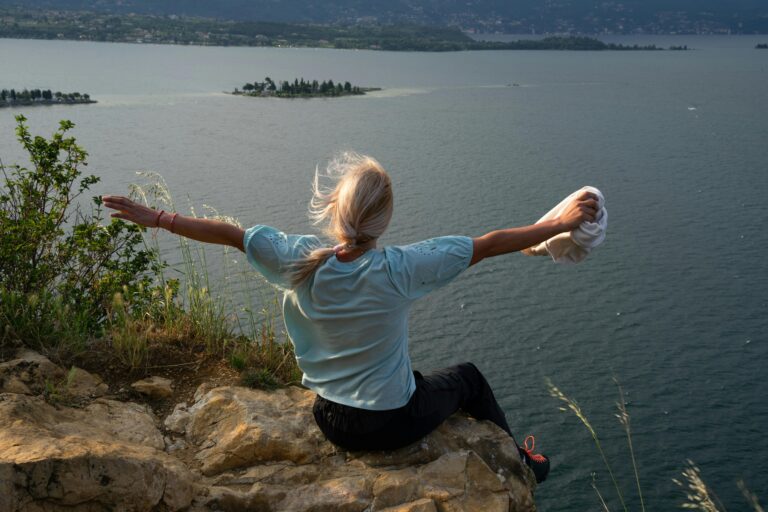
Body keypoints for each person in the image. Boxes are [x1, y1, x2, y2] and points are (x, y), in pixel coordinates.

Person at [102, 152, 598, 484]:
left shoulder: (296, 258)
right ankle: (525, 463)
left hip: (330, 419)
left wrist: (159, 218)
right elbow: (489, 244)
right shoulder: (402, 268)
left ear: (335, 210)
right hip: (389, 425)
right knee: (467, 378)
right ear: (384, 219)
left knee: (419, 380)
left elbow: (232, 234)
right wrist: (560, 223)